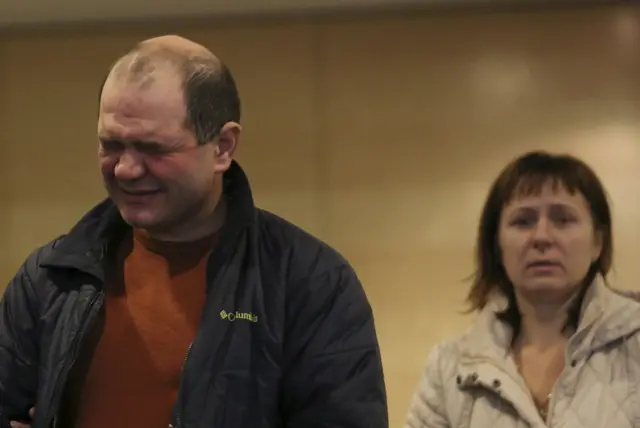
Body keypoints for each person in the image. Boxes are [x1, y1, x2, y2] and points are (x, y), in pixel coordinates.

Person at [0, 35, 388, 428]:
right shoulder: (50, 281)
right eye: (111, 144)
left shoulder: (309, 284)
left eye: (153, 148)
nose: (125, 169)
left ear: (222, 146)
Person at [404, 151, 640, 428]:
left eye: (563, 219)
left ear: (597, 242)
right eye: (523, 221)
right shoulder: (448, 368)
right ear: (497, 245)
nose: (541, 237)